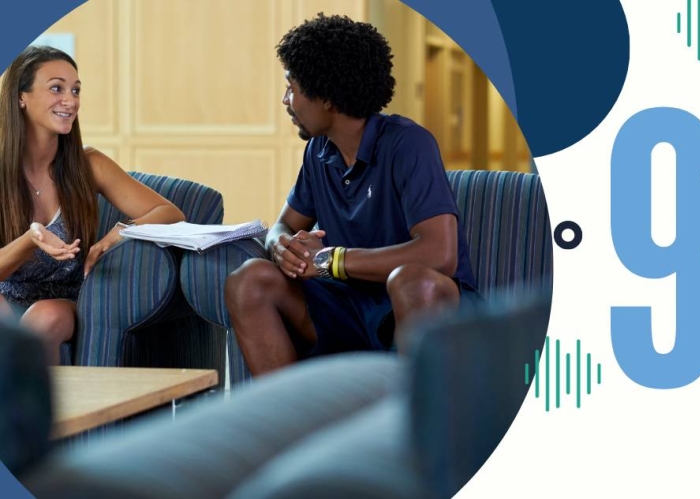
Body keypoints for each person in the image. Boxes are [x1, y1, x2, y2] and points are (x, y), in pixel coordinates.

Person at [225, 14, 480, 377]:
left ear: (326, 96)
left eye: (292, 88)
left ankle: (408, 428)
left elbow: (440, 256)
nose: (286, 100)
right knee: (248, 278)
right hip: (349, 306)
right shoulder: (318, 151)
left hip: (425, 306)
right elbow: (283, 223)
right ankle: (286, 425)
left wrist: (330, 259)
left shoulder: (409, 144)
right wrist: (282, 246)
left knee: (410, 281)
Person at [0, 45, 186, 365]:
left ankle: (40, 416)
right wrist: (32, 239)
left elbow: (170, 213)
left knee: (43, 317)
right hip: (7, 297)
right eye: (56, 88)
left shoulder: (89, 164)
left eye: (75, 90)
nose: (70, 100)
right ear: (21, 97)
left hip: (65, 301)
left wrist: (122, 231)